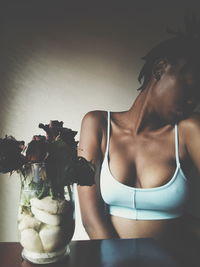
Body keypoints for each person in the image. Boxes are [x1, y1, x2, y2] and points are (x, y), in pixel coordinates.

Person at [77, 17, 200, 251]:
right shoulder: (97, 124)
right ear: (160, 69)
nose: (193, 101)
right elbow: (91, 220)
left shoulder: (188, 130)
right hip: (110, 261)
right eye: (190, 87)